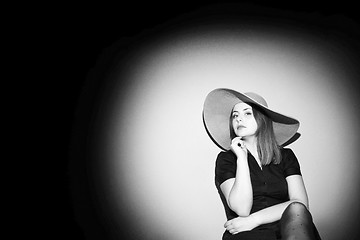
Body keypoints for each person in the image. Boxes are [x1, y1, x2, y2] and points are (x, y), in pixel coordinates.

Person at [203, 88, 321, 240]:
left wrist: (254, 220)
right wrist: (242, 158)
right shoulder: (226, 159)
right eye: (235, 115)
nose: (239, 119)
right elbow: (242, 209)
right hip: (245, 233)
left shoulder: (286, 156)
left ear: (262, 119)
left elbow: (300, 204)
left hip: (289, 228)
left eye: (247, 113)